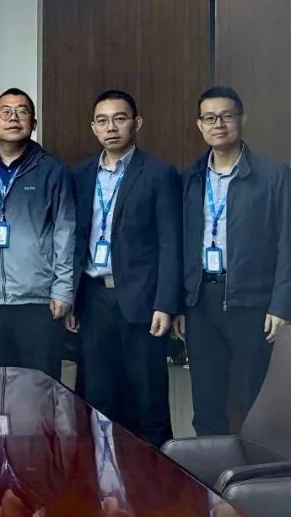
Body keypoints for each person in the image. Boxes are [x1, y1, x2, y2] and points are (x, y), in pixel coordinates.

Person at [69, 89, 181, 447]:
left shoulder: (159, 173)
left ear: (137, 123)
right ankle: (102, 474)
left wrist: (166, 303)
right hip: (93, 299)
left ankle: (156, 476)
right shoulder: (81, 174)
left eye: (119, 119)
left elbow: (170, 242)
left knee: (147, 397)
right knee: (97, 396)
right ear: (93, 127)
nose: (111, 127)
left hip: (143, 300)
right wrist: (70, 298)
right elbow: (73, 239)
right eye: (102, 121)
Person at [177, 86, 290, 436]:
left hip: (252, 302)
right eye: (209, 118)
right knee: (206, 400)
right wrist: (179, 303)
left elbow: (287, 243)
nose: (219, 124)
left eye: (227, 116)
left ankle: (262, 470)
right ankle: (210, 470)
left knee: (254, 399)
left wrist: (281, 304)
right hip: (200, 302)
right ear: (199, 125)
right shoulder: (189, 178)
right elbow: (178, 244)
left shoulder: (274, 176)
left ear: (242, 119)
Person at [0, 88, 74, 379]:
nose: (14, 118)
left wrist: (63, 289)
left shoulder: (52, 170)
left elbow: (65, 231)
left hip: (39, 300)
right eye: (6, 112)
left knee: (41, 387)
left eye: (22, 111)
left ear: (33, 123)